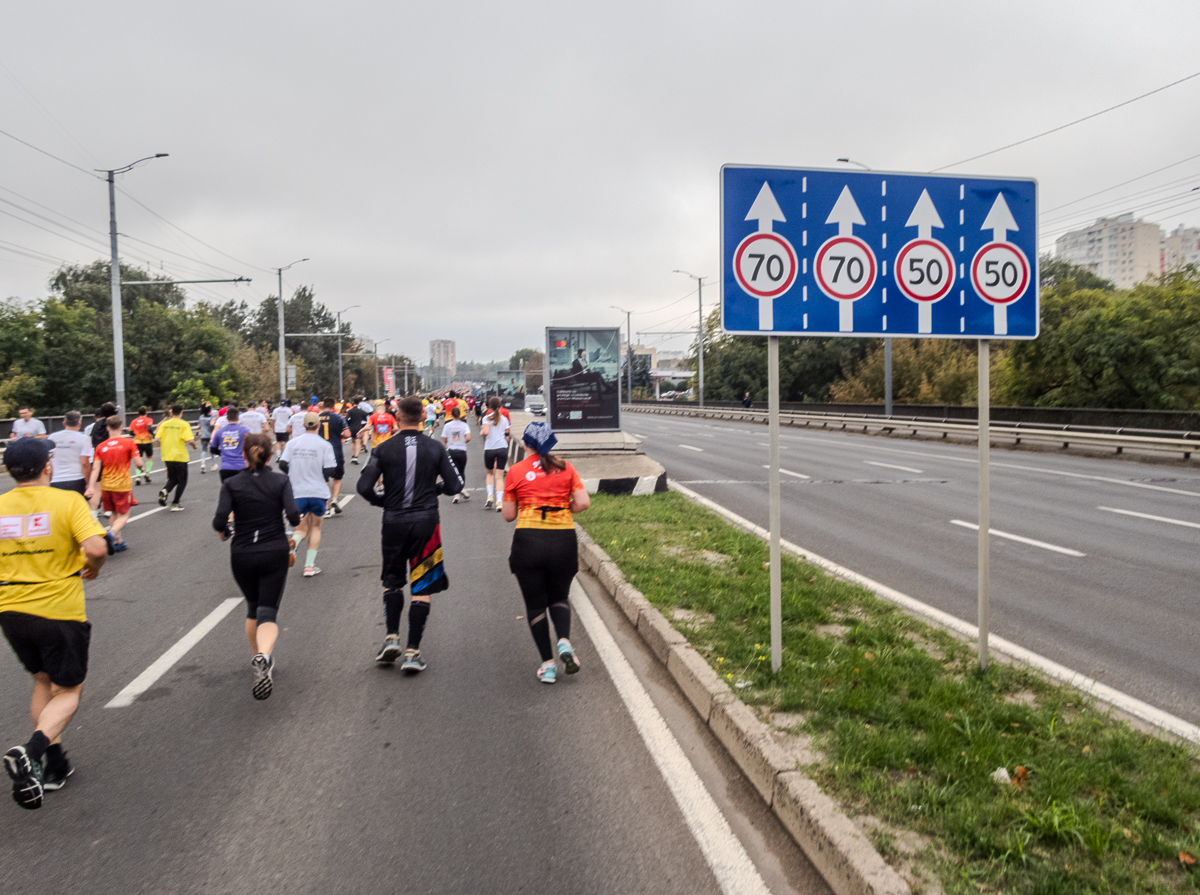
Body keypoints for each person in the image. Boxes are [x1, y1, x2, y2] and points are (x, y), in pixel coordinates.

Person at [0, 438, 108, 808]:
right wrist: (92, 569)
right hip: (59, 610)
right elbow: (96, 548)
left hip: (11, 610)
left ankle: (54, 765)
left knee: (41, 681)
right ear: (47, 466)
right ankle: (32, 750)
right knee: (68, 692)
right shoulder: (67, 501)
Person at [357, 396, 463, 672]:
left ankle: (391, 637)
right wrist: (436, 489)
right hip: (426, 523)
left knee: (392, 580)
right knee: (423, 584)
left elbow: (363, 486)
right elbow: (455, 485)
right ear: (422, 417)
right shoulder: (436, 448)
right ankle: (413, 652)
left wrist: (383, 501)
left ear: (398, 416)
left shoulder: (383, 449)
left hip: (393, 521)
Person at [213, 434, 301, 700]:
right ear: (270, 455)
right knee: (268, 612)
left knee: (253, 607)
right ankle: (264, 655)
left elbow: (220, 521)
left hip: (242, 554)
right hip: (274, 550)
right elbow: (294, 516)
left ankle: (258, 657)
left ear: (243, 455)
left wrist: (226, 529)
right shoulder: (280, 480)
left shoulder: (231, 484)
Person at [502, 422, 590, 684]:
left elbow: (508, 515)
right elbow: (583, 502)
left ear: (527, 444)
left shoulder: (515, 471)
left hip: (528, 542)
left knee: (535, 604)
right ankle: (564, 641)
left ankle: (548, 665)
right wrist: (564, 508)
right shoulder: (566, 467)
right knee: (560, 596)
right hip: (563, 540)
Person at [279, 412, 337, 577]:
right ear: (318, 425)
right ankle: (309, 566)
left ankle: (294, 542)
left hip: (297, 491)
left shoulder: (292, 443)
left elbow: (283, 464)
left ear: (303, 425)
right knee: (316, 527)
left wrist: (295, 473)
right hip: (317, 491)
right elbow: (329, 470)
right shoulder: (325, 445)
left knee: (301, 528)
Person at [86, 416, 145, 552]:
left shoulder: (101, 446)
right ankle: (111, 534)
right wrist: (141, 468)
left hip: (106, 485)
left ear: (107, 428)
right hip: (122, 485)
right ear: (120, 427)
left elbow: (95, 468)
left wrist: (90, 487)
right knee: (124, 514)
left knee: (113, 513)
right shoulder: (128, 443)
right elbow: (139, 463)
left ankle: (118, 541)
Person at [155, 405, 196, 511]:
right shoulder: (184, 424)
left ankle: (165, 491)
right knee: (182, 480)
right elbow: (189, 439)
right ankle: (175, 503)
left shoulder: (165, 424)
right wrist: (193, 445)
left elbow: (157, 438)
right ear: (181, 412)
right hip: (180, 456)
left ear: (171, 412)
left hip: (167, 455)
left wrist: (166, 443)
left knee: (173, 478)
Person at [48, 411, 93, 498]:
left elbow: (48, 460)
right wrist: (88, 482)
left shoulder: (52, 437)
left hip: (55, 479)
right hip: (76, 479)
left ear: (64, 423)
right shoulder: (84, 439)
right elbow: (84, 463)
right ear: (79, 424)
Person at [317, 398, 348, 515]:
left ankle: (326, 506)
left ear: (323, 405)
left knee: (324, 479)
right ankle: (335, 498)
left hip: (321, 452)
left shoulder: (317, 417)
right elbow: (347, 434)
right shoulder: (339, 417)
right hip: (336, 451)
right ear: (333, 406)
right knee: (337, 478)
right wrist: (339, 433)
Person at [481, 397, 510, 510]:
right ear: (499, 406)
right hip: (502, 448)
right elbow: (507, 436)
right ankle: (499, 502)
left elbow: (486, 432)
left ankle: (489, 497)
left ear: (489, 407)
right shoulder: (504, 419)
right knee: (499, 477)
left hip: (490, 448)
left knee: (490, 474)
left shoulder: (486, 418)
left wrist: (482, 431)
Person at [441, 406, 472, 504]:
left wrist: (449, 443)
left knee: (455, 472)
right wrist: (463, 442)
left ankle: (456, 495)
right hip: (462, 450)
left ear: (451, 414)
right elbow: (468, 438)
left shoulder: (447, 425)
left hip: (452, 450)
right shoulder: (464, 425)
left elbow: (445, 439)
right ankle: (462, 488)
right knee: (461, 471)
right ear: (460, 414)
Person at [214, 407, 250, 482]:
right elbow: (250, 447)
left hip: (225, 467)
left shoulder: (219, 431)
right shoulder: (245, 430)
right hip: (240, 466)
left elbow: (213, 448)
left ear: (227, 418)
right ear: (238, 417)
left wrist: (223, 453)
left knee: (227, 491)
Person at [129, 407, 156, 486]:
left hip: (137, 442)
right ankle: (147, 474)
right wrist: (153, 434)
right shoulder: (148, 420)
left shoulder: (133, 421)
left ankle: (138, 477)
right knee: (149, 458)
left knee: (139, 459)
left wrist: (137, 435)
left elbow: (130, 432)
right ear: (146, 412)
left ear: (138, 413)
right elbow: (149, 428)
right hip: (147, 441)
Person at [346, 397, 369, 465]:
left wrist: (349, 423)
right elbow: (366, 416)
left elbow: (347, 419)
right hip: (359, 428)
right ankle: (356, 457)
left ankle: (352, 457)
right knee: (358, 442)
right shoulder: (361, 411)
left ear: (353, 403)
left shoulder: (350, 411)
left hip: (352, 428)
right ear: (359, 403)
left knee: (352, 442)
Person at [197, 403, 217, 474]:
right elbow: (212, 424)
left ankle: (202, 464)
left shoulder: (201, 417)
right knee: (212, 450)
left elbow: (198, 426)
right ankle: (213, 464)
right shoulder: (211, 417)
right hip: (210, 436)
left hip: (203, 436)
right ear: (210, 410)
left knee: (204, 450)